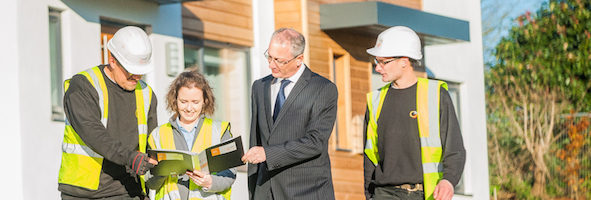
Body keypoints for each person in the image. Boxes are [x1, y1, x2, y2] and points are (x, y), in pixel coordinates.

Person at [363, 26, 466, 200]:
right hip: (383, 194)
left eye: (383, 62)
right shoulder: (375, 100)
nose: (378, 68)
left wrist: (449, 180)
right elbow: (369, 155)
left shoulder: (436, 95)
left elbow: (454, 148)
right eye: (376, 61)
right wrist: (369, 195)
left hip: (425, 193)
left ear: (404, 61)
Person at [58, 26, 158, 199]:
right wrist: (130, 158)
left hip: (127, 190)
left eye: (141, 72)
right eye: (131, 71)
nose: (137, 77)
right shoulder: (83, 86)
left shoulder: (146, 94)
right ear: (112, 60)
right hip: (83, 192)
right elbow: (92, 132)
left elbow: (153, 141)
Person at [242, 28, 338, 200]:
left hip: (305, 192)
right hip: (264, 191)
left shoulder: (323, 89)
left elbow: (315, 142)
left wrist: (268, 154)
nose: (271, 64)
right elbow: (256, 139)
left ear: (299, 59)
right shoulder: (259, 87)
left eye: (279, 60)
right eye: (269, 57)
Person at [145, 70, 235, 200]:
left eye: (195, 102)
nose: (189, 108)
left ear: (204, 100)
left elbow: (230, 173)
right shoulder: (158, 135)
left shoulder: (220, 131)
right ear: (175, 100)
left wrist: (210, 182)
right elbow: (150, 183)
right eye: (183, 101)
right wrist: (161, 171)